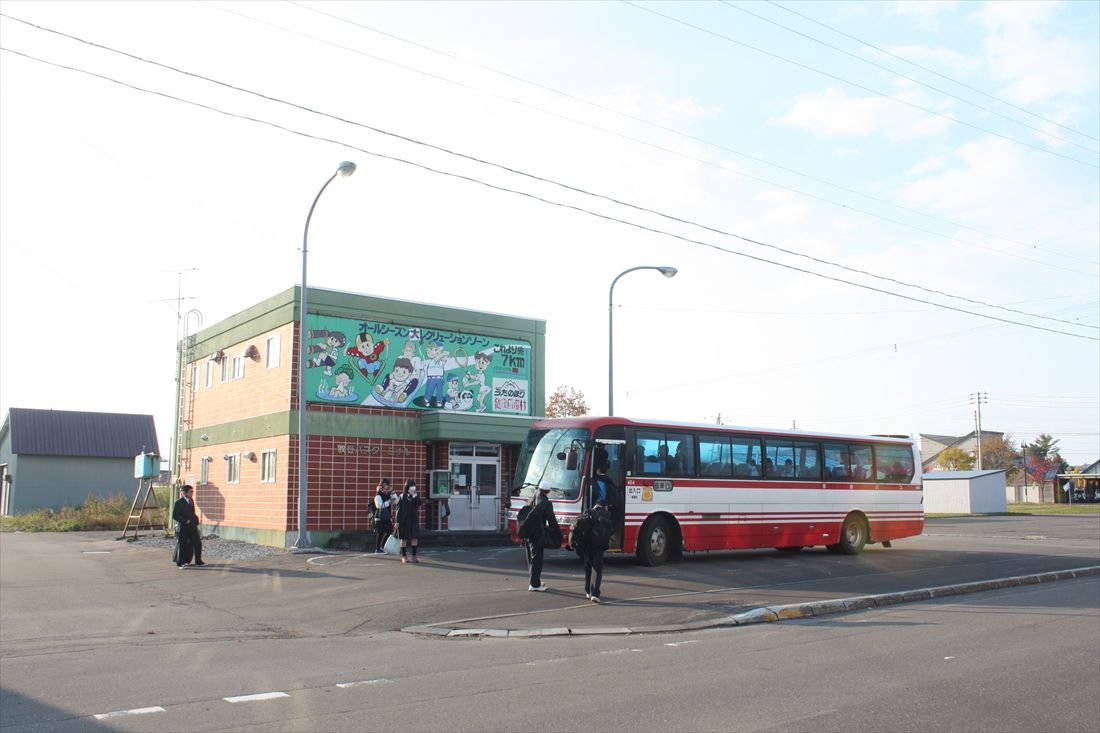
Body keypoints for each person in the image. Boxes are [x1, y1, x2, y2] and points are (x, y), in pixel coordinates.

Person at [524, 480, 560, 591]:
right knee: (537, 559)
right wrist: (557, 531)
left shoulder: (532, 498)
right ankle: (535, 585)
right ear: (548, 491)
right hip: (537, 534)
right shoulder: (546, 503)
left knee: (531, 558)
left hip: (528, 532)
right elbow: (551, 519)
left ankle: (535, 581)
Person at [581, 497, 612, 603]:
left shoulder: (587, 512)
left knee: (588, 568)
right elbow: (610, 531)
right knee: (597, 569)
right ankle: (595, 593)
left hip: (587, 546)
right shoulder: (606, 515)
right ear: (604, 506)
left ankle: (588, 591)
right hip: (598, 546)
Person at [172, 484, 205, 568]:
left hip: (193, 527)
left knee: (198, 543)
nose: (192, 493)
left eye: (192, 491)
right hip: (183, 528)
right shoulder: (179, 503)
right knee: (183, 545)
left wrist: (196, 520)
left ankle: (198, 562)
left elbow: (192, 513)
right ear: (184, 493)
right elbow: (175, 516)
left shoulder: (191, 501)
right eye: (190, 492)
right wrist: (185, 521)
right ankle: (181, 563)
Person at [393, 479, 422, 563]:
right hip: (404, 520)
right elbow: (398, 509)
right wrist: (397, 521)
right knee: (403, 538)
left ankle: (414, 556)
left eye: (414, 487)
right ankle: (404, 556)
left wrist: (414, 496)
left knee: (414, 538)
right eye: (411, 487)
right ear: (407, 488)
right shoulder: (402, 496)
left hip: (413, 520)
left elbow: (420, 503)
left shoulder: (415, 495)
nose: (413, 488)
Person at [373, 479, 395, 554]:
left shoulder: (388, 494)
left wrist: (392, 492)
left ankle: (382, 546)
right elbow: (379, 506)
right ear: (382, 486)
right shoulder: (378, 495)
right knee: (380, 533)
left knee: (389, 531)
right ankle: (377, 549)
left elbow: (397, 501)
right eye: (386, 485)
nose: (387, 486)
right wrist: (389, 501)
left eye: (388, 485)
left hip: (387, 517)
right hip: (379, 517)